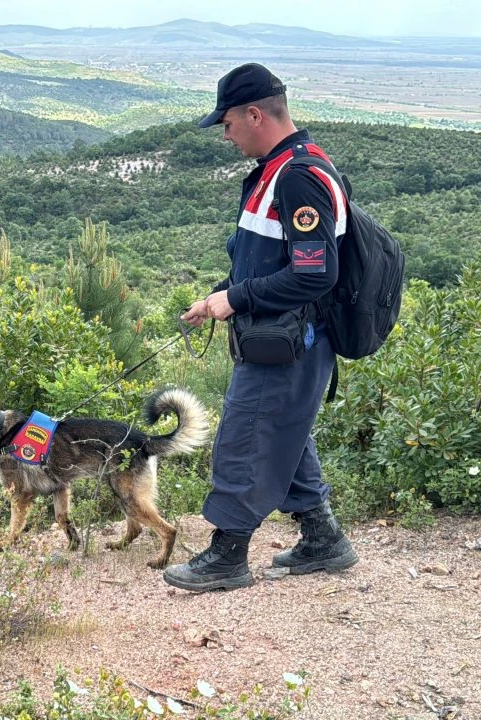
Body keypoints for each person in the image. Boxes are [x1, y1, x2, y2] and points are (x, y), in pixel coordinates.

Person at [164, 63, 358, 592]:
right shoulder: (275, 172)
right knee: (285, 430)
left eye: (226, 123)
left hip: (289, 342)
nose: (224, 135)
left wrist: (237, 297)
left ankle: (227, 555)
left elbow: (315, 273)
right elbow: (262, 258)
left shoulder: (298, 176)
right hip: (276, 336)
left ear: (255, 114)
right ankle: (323, 539)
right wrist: (218, 299)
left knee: (246, 435)